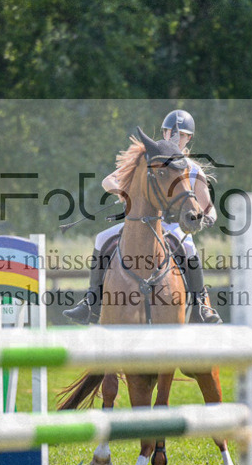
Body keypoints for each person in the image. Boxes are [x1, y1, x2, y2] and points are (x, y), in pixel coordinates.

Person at [63, 109, 222, 324]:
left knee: (189, 248)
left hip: (173, 226)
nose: (174, 137)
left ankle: (201, 304)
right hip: (142, 222)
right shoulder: (151, 161)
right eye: (170, 132)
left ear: (189, 138)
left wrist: (207, 217)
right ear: (164, 132)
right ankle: (91, 301)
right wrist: (123, 192)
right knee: (101, 238)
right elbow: (107, 181)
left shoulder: (193, 169)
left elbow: (209, 207)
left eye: (181, 134)